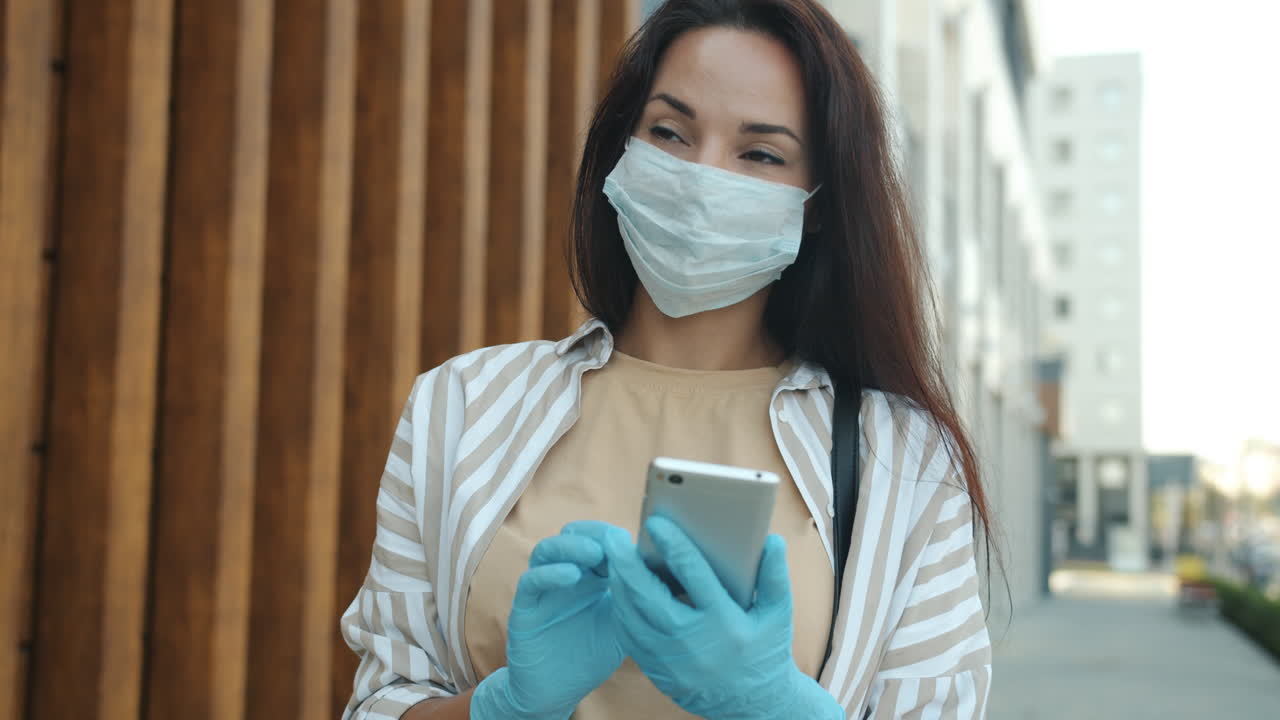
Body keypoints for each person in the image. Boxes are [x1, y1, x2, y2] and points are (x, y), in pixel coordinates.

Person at [340, 0, 995, 718]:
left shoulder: (905, 460)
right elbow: (379, 701)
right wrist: (507, 706)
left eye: (761, 153)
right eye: (670, 132)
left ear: (817, 203)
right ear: (624, 146)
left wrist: (773, 707)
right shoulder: (460, 407)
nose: (701, 176)